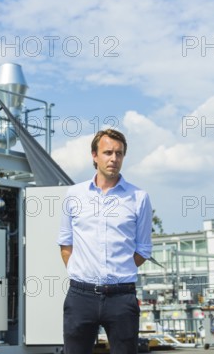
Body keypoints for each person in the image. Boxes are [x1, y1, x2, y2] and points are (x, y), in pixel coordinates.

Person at [57, 129, 153, 354]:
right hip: (81, 296)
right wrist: (77, 271)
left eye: (119, 154)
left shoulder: (138, 198)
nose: (114, 159)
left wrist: (120, 268)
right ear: (94, 155)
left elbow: (144, 249)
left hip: (122, 297)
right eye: (108, 152)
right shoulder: (74, 195)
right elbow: (65, 243)